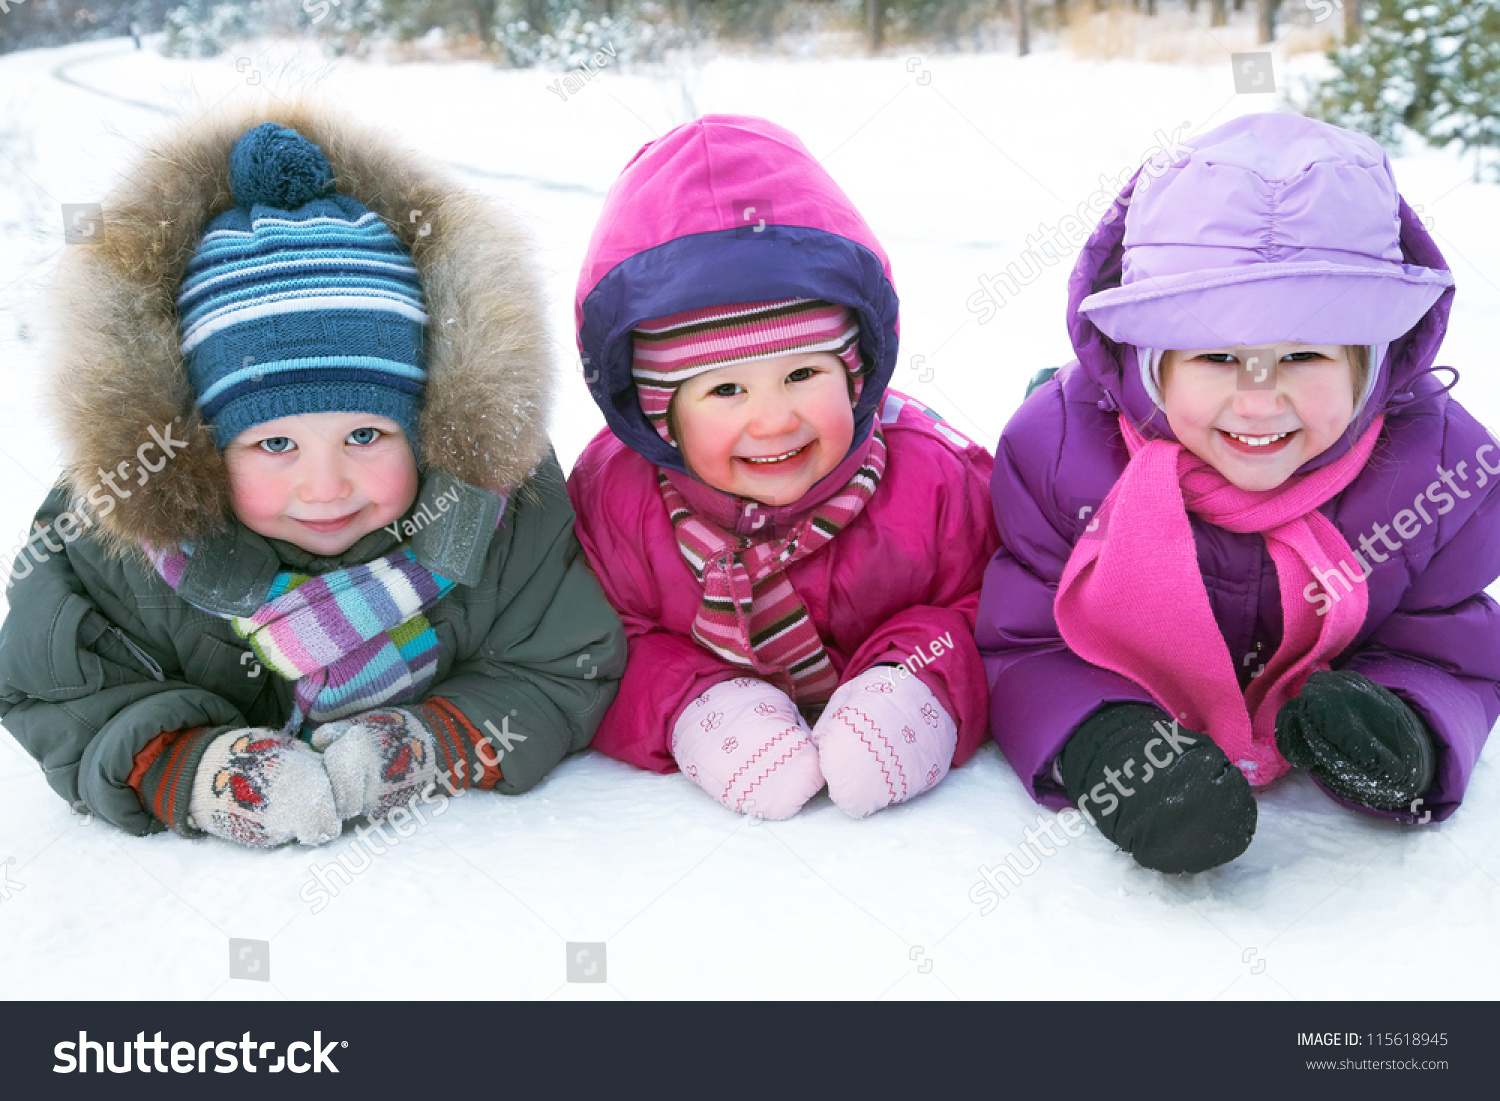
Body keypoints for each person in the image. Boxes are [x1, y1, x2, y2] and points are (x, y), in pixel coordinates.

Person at [0, 106, 624, 847]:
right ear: (197, 446)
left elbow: (561, 665)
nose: (326, 486)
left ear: (426, 428)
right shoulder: (120, 544)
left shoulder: (496, 516)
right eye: (273, 444)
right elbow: (57, 687)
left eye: (365, 434)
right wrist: (188, 766)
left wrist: (430, 741)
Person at [978, 113, 1500, 873]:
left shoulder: (1441, 472)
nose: (1259, 402)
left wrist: (1405, 730)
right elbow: (1025, 641)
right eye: (1219, 355)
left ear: (1373, 358)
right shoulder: (1059, 457)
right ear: (1148, 358)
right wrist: (1109, 745)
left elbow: (1448, 643)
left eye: (1304, 354)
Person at [568, 115, 999, 820]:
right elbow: (596, 641)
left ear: (857, 373)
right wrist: (694, 701)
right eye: (726, 390)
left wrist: (916, 678)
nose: (773, 421)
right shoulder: (616, 499)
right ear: (657, 415)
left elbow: (994, 604)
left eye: (802, 373)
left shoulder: (932, 479)